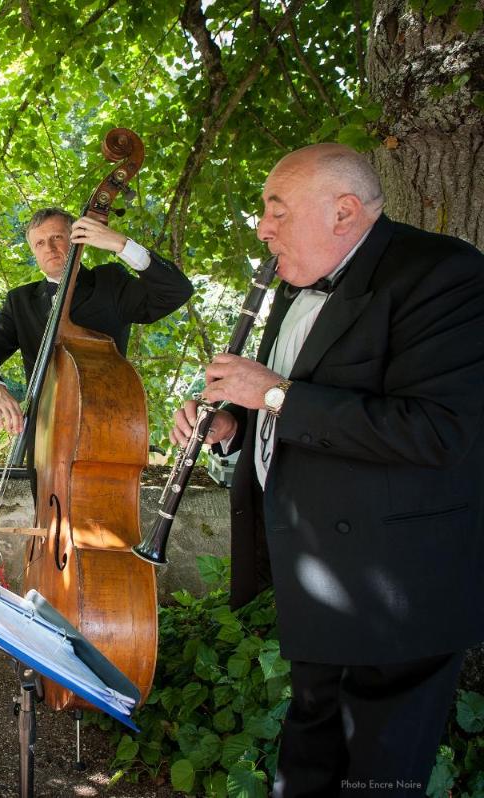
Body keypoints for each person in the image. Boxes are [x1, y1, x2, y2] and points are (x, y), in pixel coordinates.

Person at [170, 143, 484, 796]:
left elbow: (438, 431)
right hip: (315, 578)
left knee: (377, 777)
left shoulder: (444, 275)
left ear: (344, 212)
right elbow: (290, 414)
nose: (263, 227)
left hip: (396, 594)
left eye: (276, 210)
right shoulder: (292, 284)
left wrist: (273, 392)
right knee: (307, 760)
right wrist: (232, 429)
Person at [0, 208, 193, 433]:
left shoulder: (109, 283)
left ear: (76, 240)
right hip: (44, 435)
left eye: (57, 237)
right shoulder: (20, 300)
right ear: (33, 252)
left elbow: (176, 291)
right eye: (40, 243)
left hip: (104, 427)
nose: (50, 248)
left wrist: (121, 244)